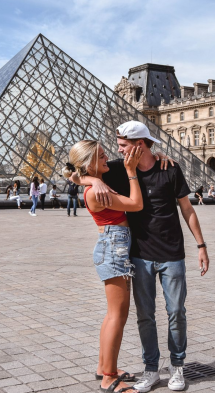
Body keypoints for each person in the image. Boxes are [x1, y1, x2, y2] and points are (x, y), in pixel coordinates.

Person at [74, 121, 209, 392]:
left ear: (139, 145)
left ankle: (175, 366)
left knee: (175, 312)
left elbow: (187, 209)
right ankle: (144, 369)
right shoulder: (114, 169)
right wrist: (93, 178)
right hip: (133, 253)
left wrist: (201, 245)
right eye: (113, 149)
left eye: (122, 146)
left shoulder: (168, 167)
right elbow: (75, 171)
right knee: (138, 315)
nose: (115, 152)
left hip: (170, 252)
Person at [63, 141, 144, 393]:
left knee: (113, 315)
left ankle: (104, 366)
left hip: (112, 246)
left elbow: (75, 175)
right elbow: (136, 204)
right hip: (114, 248)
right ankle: (109, 378)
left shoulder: (95, 186)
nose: (107, 157)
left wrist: (88, 179)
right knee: (117, 316)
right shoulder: (97, 192)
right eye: (101, 156)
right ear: (89, 164)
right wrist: (131, 172)